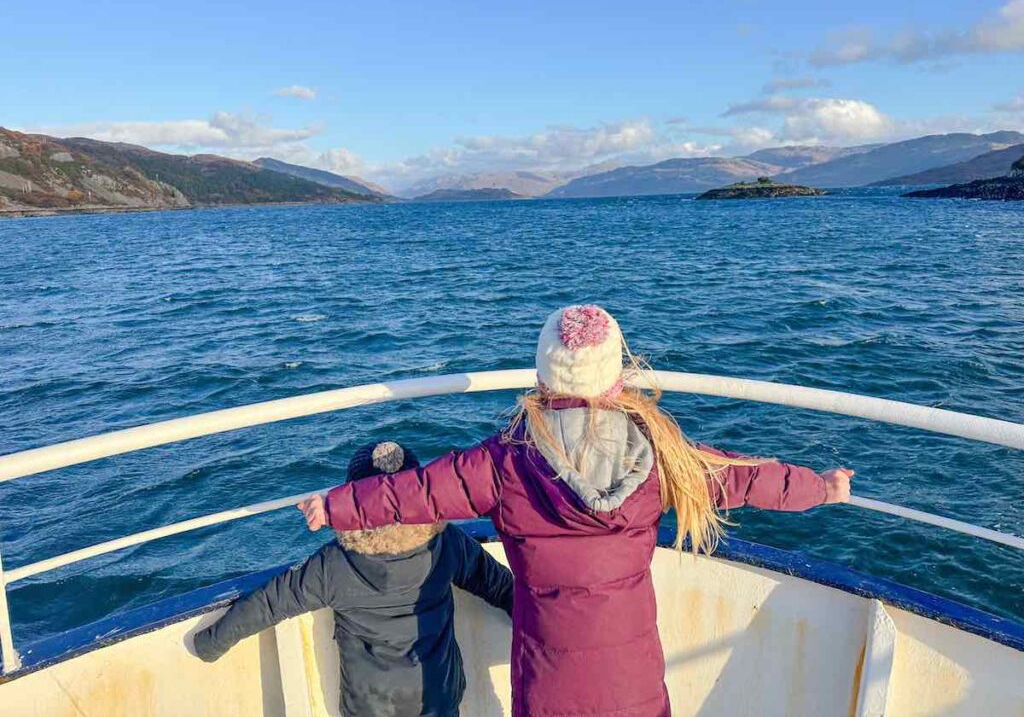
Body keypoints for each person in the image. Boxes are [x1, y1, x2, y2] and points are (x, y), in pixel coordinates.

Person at [298, 306, 854, 717]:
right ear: (617, 379)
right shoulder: (662, 454)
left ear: (540, 380)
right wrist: (820, 488)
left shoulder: (503, 461)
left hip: (549, 680)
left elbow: (417, 490)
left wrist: (338, 505)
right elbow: (745, 475)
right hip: (631, 678)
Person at [191, 440, 514, 717]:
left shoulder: (334, 564)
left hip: (370, 707)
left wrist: (210, 643)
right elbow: (500, 586)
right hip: (439, 696)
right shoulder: (446, 544)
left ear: (351, 500)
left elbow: (270, 603)